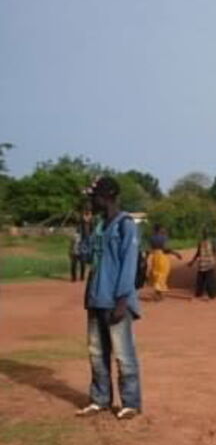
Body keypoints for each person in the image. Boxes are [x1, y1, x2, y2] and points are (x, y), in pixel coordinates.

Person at [76, 176, 142, 420]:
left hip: (117, 301)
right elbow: (84, 257)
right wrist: (84, 228)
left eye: (94, 197)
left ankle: (131, 403)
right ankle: (99, 399)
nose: (91, 202)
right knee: (96, 353)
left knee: (124, 355)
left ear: (108, 197)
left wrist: (123, 299)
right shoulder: (98, 226)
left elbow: (129, 264)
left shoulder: (126, 225)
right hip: (95, 299)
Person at [147, 224, 182, 301]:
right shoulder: (164, 238)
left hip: (155, 257)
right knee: (163, 274)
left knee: (156, 274)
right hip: (162, 257)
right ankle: (159, 294)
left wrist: (145, 258)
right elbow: (166, 249)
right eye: (163, 229)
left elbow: (149, 250)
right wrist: (176, 253)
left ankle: (158, 293)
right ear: (160, 230)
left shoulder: (152, 238)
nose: (164, 230)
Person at [188, 228, 216, 301]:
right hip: (202, 264)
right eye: (204, 233)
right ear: (203, 234)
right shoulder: (201, 243)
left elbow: (214, 252)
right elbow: (198, 253)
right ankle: (199, 294)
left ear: (208, 234)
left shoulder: (212, 242)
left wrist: (213, 259)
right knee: (200, 281)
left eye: (206, 233)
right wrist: (192, 261)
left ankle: (211, 295)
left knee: (209, 281)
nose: (205, 234)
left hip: (208, 263)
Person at [68, 208, 93, 282]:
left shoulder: (91, 223)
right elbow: (79, 221)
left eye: (88, 214)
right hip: (78, 240)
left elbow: (91, 232)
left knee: (83, 261)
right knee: (74, 260)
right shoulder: (80, 222)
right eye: (86, 214)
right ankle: (74, 277)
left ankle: (82, 276)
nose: (87, 216)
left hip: (85, 242)